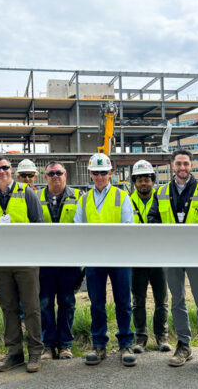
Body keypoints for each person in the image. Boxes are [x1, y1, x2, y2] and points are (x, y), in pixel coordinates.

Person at [148, 148, 198, 372]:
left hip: (196, 254)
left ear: (192, 165)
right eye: (178, 164)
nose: (182, 168)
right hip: (172, 255)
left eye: (186, 164)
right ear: (172, 166)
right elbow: (152, 219)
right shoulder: (160, 192)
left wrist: (188, 238)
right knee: (177, 301)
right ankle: (184, 346)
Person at [73, 153, 137, 367]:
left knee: (123, 302)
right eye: (95, 172)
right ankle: (99, 344)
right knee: (97, 303)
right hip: (94, 258)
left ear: (111, 173)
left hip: (119, 258)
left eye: (103, 172)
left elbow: (129, 227)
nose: (100, 176)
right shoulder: (83, 199)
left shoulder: (122, 196)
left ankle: (126, 344)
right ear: (90, 174)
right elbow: (78, 229)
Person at [0, 155, 44, 373]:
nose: (2, 171)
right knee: (8, 308)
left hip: (25, 260)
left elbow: (38, 224)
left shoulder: (27, 192)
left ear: (11, 169)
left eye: (5, 167)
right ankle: (14, 353)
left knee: (31, 307)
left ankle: (35, 352)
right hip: (0, 261)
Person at [37, 161, 83, 360]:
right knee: (45, 303)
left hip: (68, 260)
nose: (55, 176)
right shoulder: (35, 197)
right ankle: (47, 345)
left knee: (67, 302)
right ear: (45, 177)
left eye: (59, 172)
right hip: (44, 260)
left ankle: (65, 345)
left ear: (66, 175)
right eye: (51, 173)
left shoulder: (79, 197)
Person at [128, 160, 171, 354]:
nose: (143, 183)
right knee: (138, 300)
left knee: (161, 300)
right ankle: (140, 338)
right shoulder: (127, 201)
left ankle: (162, 337)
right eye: (140, 180)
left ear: (153, 181)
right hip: (137, 258)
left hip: (160, 257)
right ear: (134, 182)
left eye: (147, 179)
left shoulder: (163, 199)